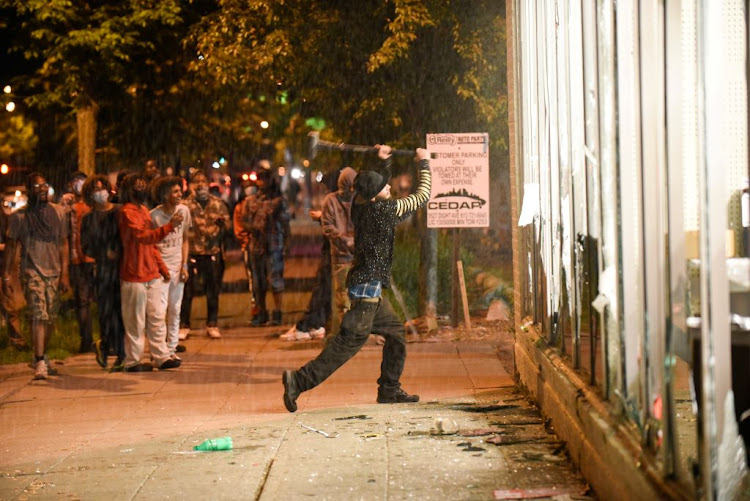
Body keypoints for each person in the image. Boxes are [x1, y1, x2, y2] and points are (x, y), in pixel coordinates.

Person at [282, 146, 431, 412]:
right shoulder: (385, 212)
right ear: (376, 196)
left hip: (367, 286)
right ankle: (298, 381)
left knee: (395, 333)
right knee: (346, 345)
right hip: (367, 292)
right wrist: (424, 164)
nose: (389, 189)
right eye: (385, 187)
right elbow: (423, 196)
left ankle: (389, 388)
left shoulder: (360, 208)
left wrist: (384, 161)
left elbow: (373, 186)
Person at [2, 172, 70, 380]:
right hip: (32, 270)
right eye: (36, 186)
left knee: (50, 318)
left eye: (44, 186)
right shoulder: (19, 217)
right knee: (38, 314)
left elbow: (63, 243)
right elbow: (11, 247)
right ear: (29, 190)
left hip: (54, 271)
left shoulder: (58, 213)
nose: (41, 190)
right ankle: (40, 360)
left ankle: (40, 355)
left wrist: (65, 273)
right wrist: (6, 276)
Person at [117, 173, 182, 372]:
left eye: (143, 185)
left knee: (156, 316)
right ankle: (133, 361)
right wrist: (169, 227)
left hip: (151, 272)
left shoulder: (143, 210)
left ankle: (160, 356)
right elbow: (142, 237)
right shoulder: (127, 212)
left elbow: (151, 244)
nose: (141, 189)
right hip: (133, 273)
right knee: (135, 321)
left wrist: (161, 268)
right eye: (137, 186)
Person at [81, 175, 126, 371]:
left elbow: (126, 238)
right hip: (101, 271)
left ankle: (121, 352)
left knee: (121, 311)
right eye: (96, 190)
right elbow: (86, 247)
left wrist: (117, 251)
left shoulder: (119, 212)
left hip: (122, 269)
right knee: (106, 313)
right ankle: (106, 345)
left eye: (103, 188)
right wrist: (102, 251)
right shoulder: (88, 219)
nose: (101, 193)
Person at [179, 171, 229, 339]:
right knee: (187, 290)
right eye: (196, 182)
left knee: (212, 290)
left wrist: (219, 230)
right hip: (191, 253)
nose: (200, 185)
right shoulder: (185, 205)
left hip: (212, 252)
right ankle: (184, 325)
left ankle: (212, 324)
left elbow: (226, 227)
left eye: (203, 181)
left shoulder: (218, 203)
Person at [243, 166, 290, 326]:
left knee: (275, 280)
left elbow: (285, 223)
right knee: (258, 282)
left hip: (274, 244)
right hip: (256, 245)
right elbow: (244, 220)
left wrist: (287, 244)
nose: (262, 183)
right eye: (260, 179)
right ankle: (261, 312)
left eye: (265, 179)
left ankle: (278, 313)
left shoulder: (278, 201)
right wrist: (252, 230)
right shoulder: (251, 201)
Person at [150, 176, 191, 360]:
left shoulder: (184, 210)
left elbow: (185, 239)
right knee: (159, 310)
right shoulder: (154, 216)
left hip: (177, 267)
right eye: (175, 191)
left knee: (175, 309)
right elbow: (151, 243)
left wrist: (184, 265)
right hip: (160, 269)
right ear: (165, 195)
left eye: (179, 190)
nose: (179, 194)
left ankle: (172, 348)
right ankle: (158, 350)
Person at [65, 171, 96, 353]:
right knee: (83, 301)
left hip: (89, 259)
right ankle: (87, 339)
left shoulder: (89, 207)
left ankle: (90, 339)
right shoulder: (69, 207)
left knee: (84, 301)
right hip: (78, 260)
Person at [0, 207, 28, 351]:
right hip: (6, 265)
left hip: (6, 266)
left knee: (11, 305)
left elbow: (13, 243)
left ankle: (18, 341)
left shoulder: (8, 220)